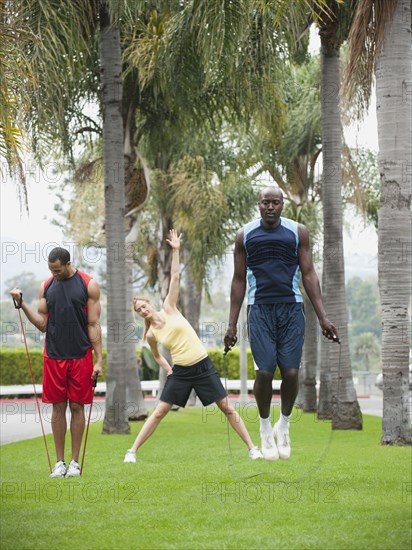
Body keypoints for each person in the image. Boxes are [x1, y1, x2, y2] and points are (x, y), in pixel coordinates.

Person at [124, 229, 263, 463]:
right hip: (182, 371)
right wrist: (168, 369)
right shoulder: (151, 335)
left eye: (144, 306)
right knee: (159, 412)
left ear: (149, 304)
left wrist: (176, 250)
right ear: (139, 315)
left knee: (227, 408)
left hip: (203, 366)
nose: (143, 310)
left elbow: (175, 277)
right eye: (139, 310)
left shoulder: (169, 307)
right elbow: (157, 356)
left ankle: (252, 448)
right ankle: (132, 451)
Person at [224, 186, 339, 461]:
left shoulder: (298, 232)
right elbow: (239, 280)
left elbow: (309, 273)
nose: (271, 207)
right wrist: (231, 325)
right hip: (259, 310)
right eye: (266, 203)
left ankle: (283, 425)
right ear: (259, 205)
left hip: (291, 309)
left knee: (290, 373)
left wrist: (323, 317)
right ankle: (265, 427)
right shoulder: (245, 235)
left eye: (276, 202)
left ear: (282, 205)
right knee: (264, 372)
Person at [10, 247, 102, 478]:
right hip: (53, 355)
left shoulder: (88, 285)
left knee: (77, 407)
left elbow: (93, 324)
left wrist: (99, 359)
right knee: (57, 407)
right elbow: (42, 324)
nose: (54, 273)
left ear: (68, 263)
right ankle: (59, 463)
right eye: (51, 270)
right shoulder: (47, 286)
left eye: (58, 270)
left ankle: (74, 463)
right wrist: (23, 305)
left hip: (81, 355)